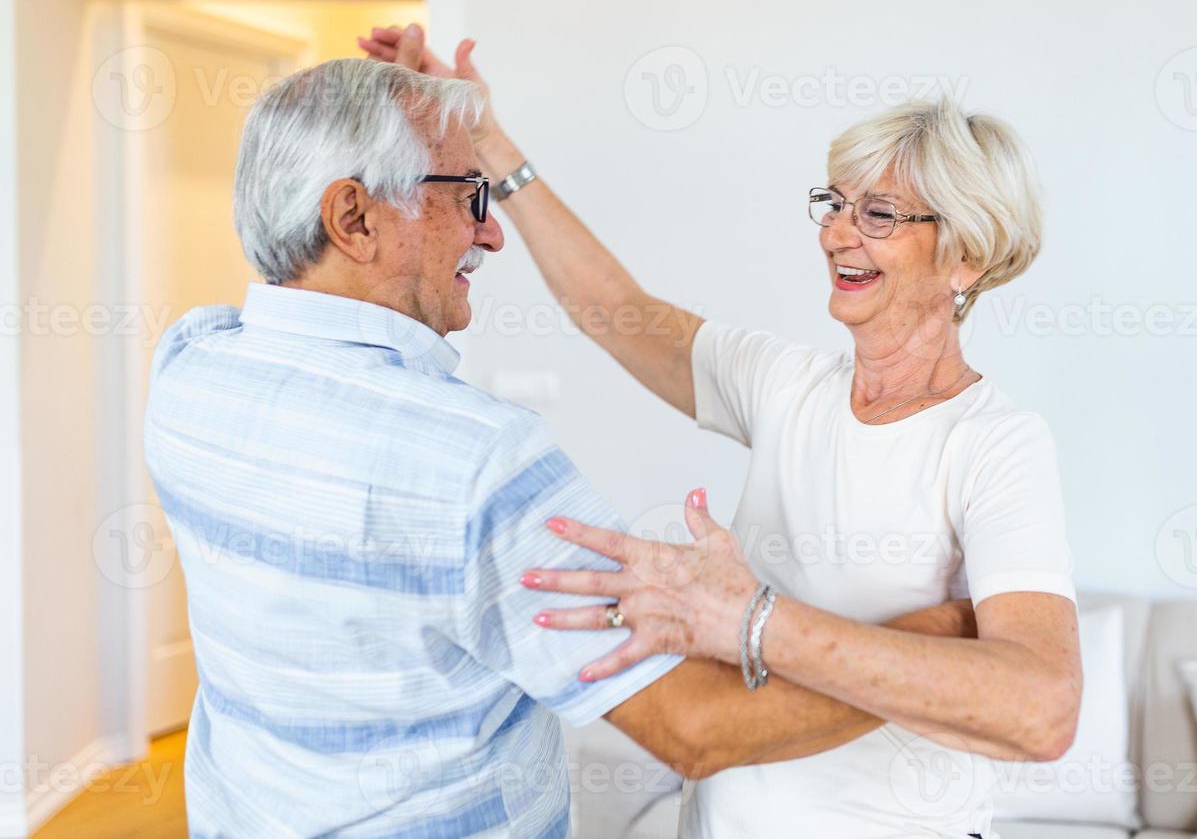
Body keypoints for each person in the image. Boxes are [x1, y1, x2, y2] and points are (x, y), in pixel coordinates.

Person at [143, 56, 979, 837]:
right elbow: (695, 727)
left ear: (966, 258)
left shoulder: (188, 366)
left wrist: (489, 146)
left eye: (879, 215)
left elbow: (616, 311)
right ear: (353, 216)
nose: (490, 233)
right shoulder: (473, 459)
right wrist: (942, 633)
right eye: (467, 196)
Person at [359, 25, 1083, 838]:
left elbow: (1042, 707)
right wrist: (487, 136)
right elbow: (613, 311)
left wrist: (754, 618)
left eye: (878, 214)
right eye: (835, 204)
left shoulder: (994, 444)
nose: (838, 233)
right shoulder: (785, 384)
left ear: (966, 259)